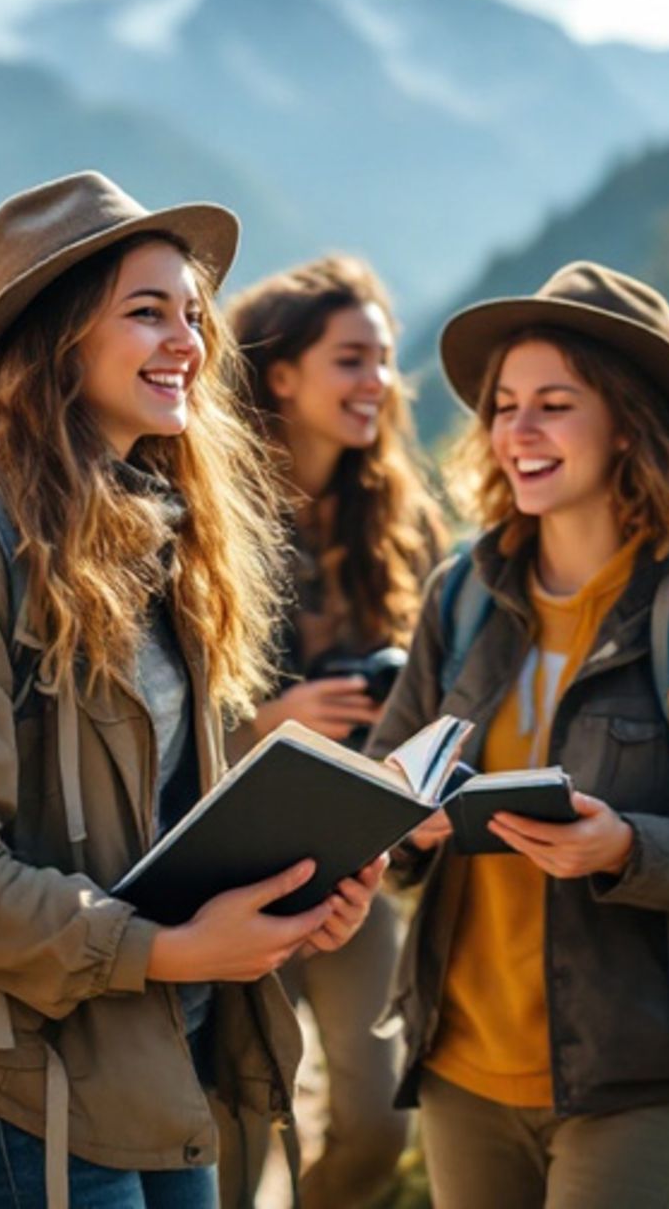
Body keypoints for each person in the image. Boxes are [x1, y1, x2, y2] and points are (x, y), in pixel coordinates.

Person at [0, 172, 386, 1209]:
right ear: (55, 338)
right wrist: (166, 948)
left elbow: (163, 825)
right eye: (147, 313)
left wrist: (295, 894)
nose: (188, 341)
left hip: (165, 1060)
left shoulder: (163, 540)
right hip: (32, 1095)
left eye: (192, 314)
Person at [365, 262, 669, 1209]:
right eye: (504, 405)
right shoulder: (463, 595)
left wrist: (626, 848)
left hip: (641, 1073)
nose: (517, 433)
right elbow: (383, 779)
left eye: (555, 405)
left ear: (627, 422)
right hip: (461, 1066)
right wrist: (399, 826)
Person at [220, 256, 449, 1209]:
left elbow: (445, 687)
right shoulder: (205, 514)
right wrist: (264, 726)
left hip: (358, 863)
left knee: (376, 1124)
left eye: (385, 361)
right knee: (231, 1136)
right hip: (226, 868)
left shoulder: (406, 524)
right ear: (281, 376)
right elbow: (142, 712)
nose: (378, 384)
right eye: (352, 359)